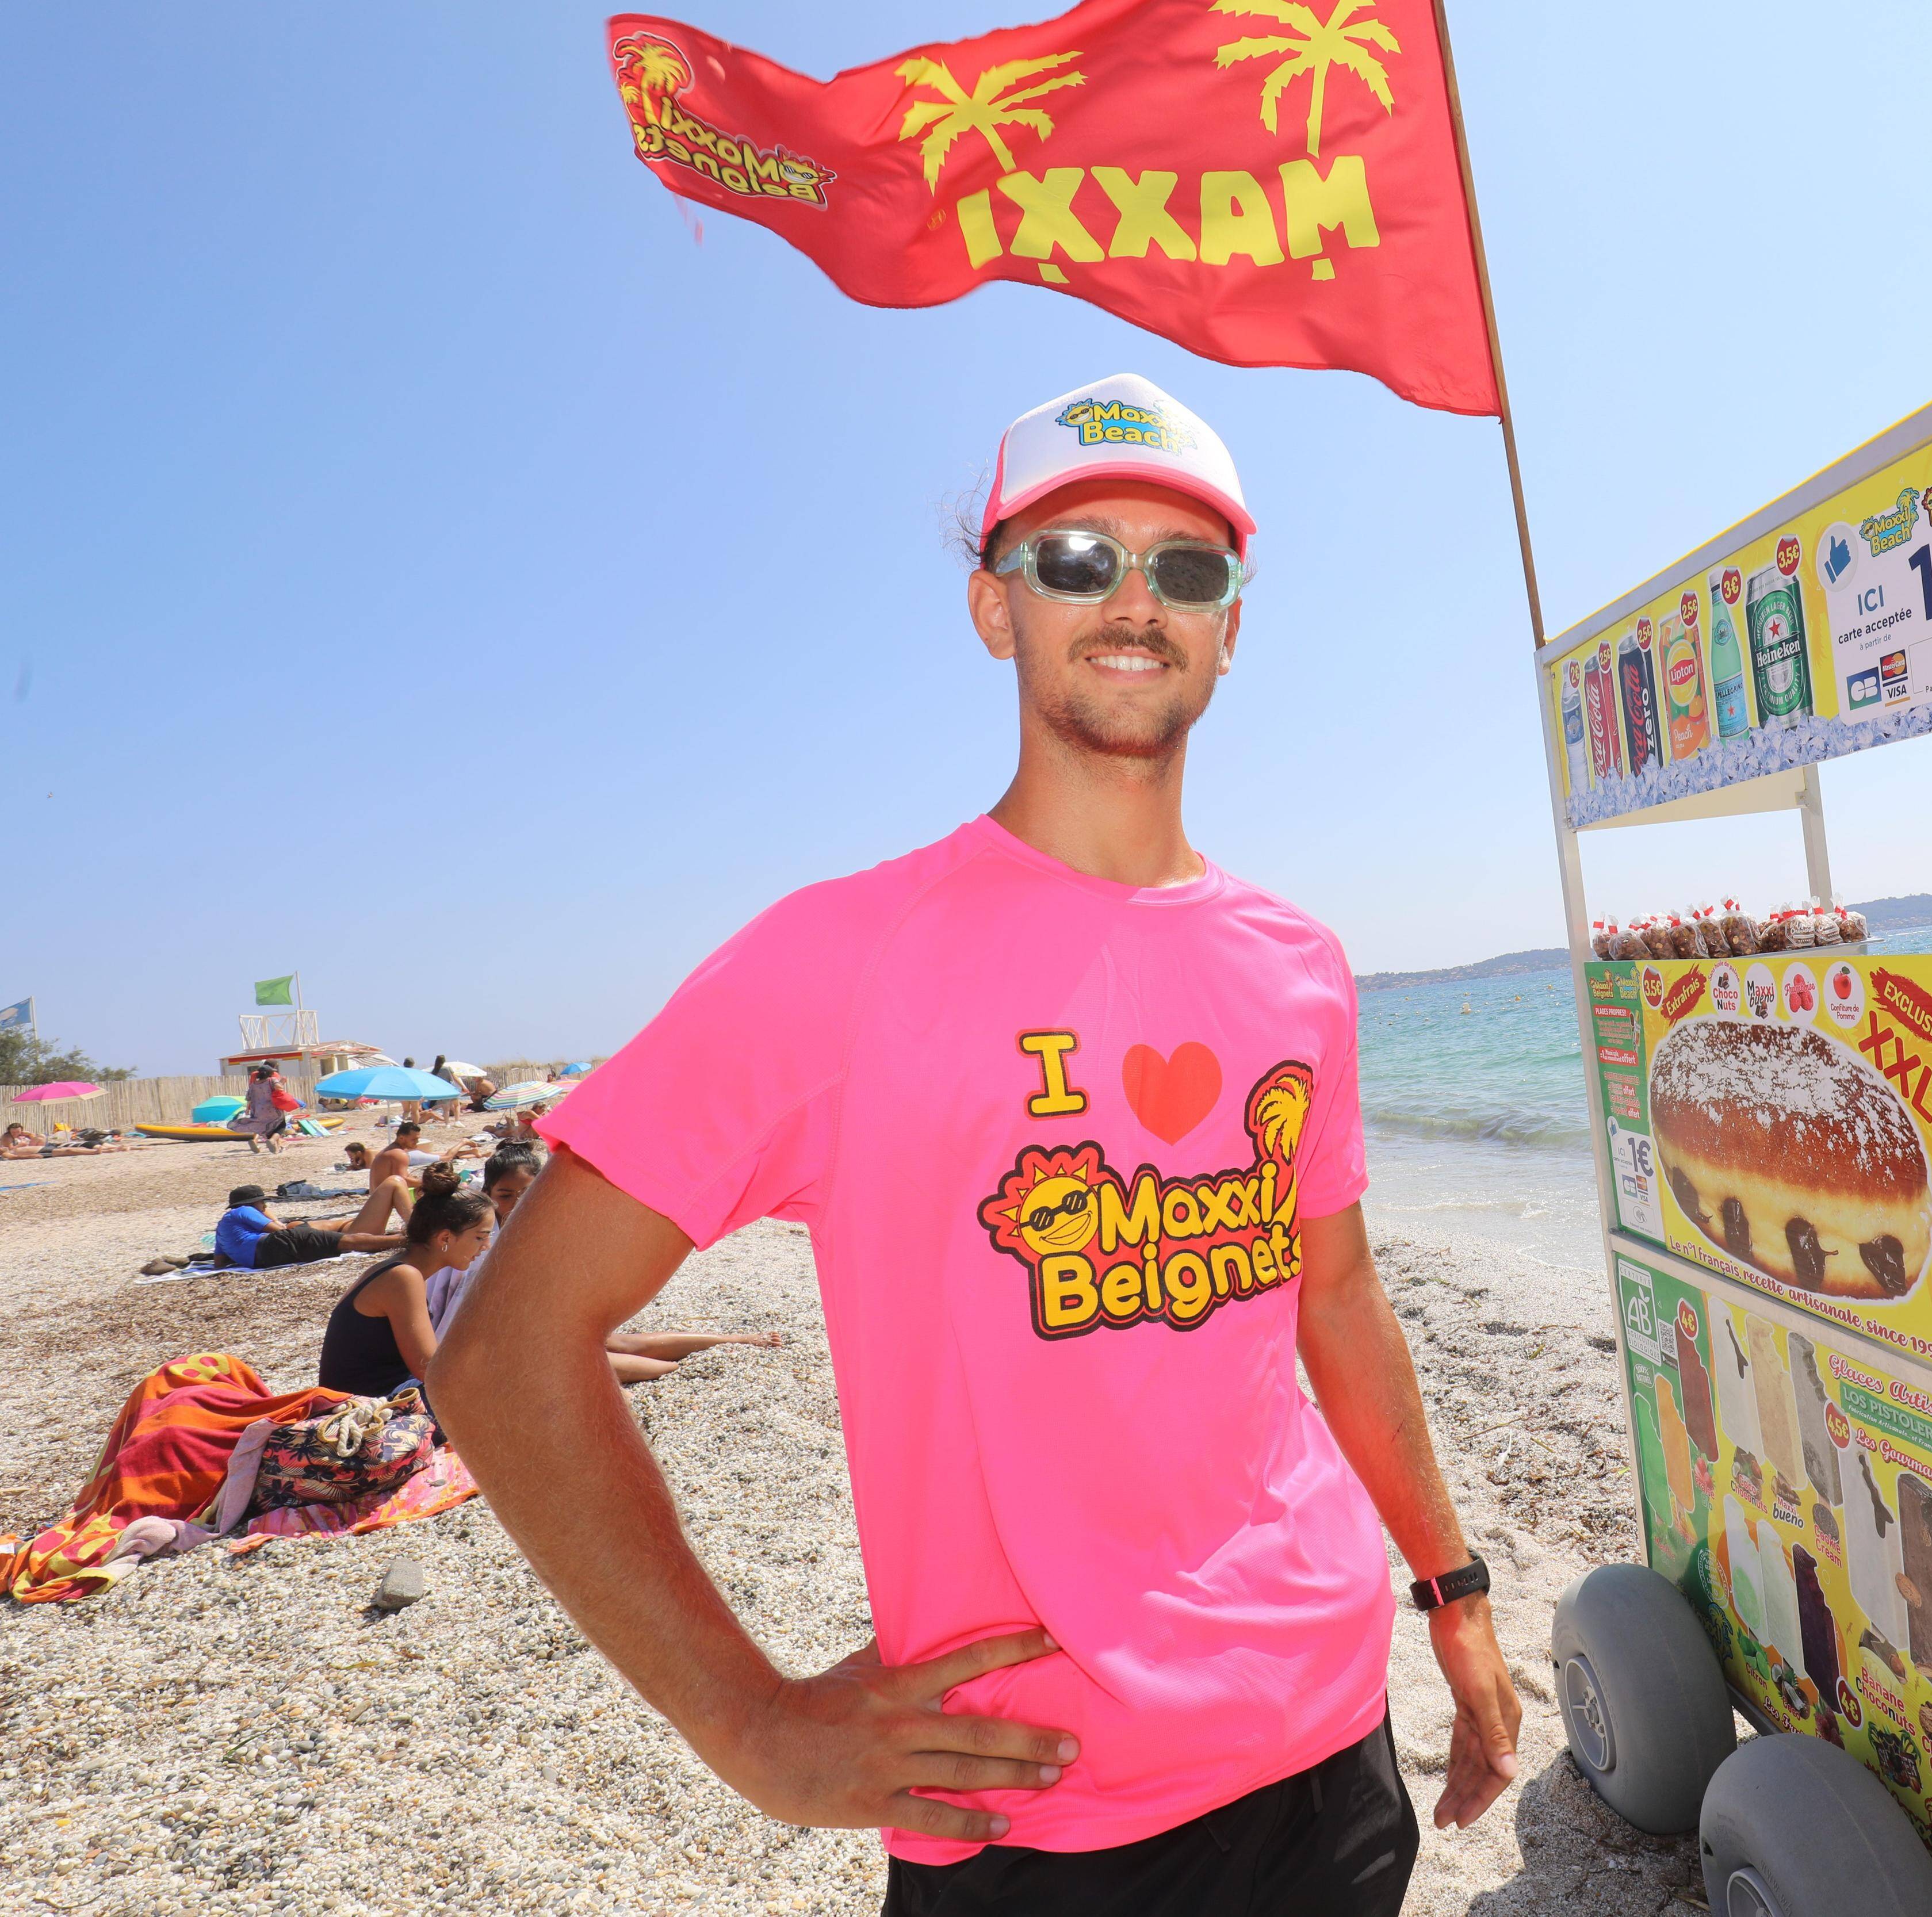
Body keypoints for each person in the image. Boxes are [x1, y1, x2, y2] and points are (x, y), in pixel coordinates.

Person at [435, 376, 1512, 1917]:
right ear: (994, 607)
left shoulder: (1300, 963)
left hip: (1332, 1742)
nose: (1136, 599)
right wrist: (749, 1722)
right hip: (1040, 1822)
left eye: (1186, 568)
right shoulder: (839, 961)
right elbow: (510, 1346)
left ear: (1231, 625)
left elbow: (1335, 1302)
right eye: (1077, 558)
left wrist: (1454, 1592)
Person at [427, 1147, 785, 1380]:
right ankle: (683, 1373)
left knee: (614, 1342)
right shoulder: (479, 1242)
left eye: (528, 1193)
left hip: (535, 1331)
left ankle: (733, 1340)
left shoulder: (554, 1230)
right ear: (489, 1195)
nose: (518, 1203)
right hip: (496, 1346)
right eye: (506, 1195)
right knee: (606, 1362)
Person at [319, 1187, 496, 1398]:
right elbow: (430, 1371)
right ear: (445, 1238)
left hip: (370, 1394)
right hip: (366, 1406)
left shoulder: (396, 1268)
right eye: (480, 1237)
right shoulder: (404, 1277)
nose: (486, 1246)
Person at [215, 1184, 401, 1269]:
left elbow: (220, 1263)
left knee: (326, 1230)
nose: (264, 1207)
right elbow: (280, 1231)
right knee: (350, 1242)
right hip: (277, 1245)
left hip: (265, 1260)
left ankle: (374, 1231)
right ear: (254, 1203)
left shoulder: (222, 1227)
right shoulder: (243, 1211)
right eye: (262, 1203)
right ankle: (407, 1239)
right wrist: (266, 1213)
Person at [239, 1065, 290, 1155]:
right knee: (280, 1126)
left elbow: (249, 1098)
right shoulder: (272, 1081)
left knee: (260, 1126)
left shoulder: (253, 1084)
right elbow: (280, 1088)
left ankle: (255, 1141)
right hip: (273, 1108)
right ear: (270, 1073)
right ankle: (272, 1140)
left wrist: (247, 1109)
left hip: (258, 1110)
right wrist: (282, 1082)